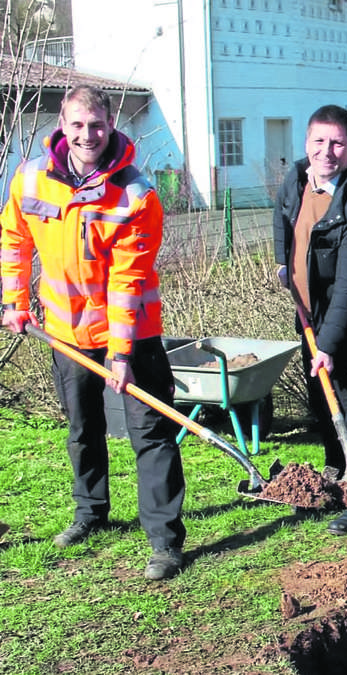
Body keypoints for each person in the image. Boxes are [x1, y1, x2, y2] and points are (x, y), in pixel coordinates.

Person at [0, 85, 187, 580]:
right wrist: (15, 301)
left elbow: (128, 281)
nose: (88, 135)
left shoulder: (135, 194)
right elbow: (14, 239)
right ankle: (90, 512)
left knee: (150, 433)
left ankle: (165, 541)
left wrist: (121, 354)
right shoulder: (31, 178)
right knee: (83, 427)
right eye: (78, 125)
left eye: (97, 125)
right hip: (64, 330)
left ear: (111, 124)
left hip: (132, 333)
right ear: (62, 124)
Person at [274, 104, 347, 535]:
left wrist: (328, 345)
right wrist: (282, 265)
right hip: (310, 318)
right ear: (307, 143)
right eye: (320, 141)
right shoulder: (297, 177)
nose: (328, 151)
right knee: (324, 405)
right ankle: (336, 474)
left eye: (338, 143)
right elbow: (283, 220)